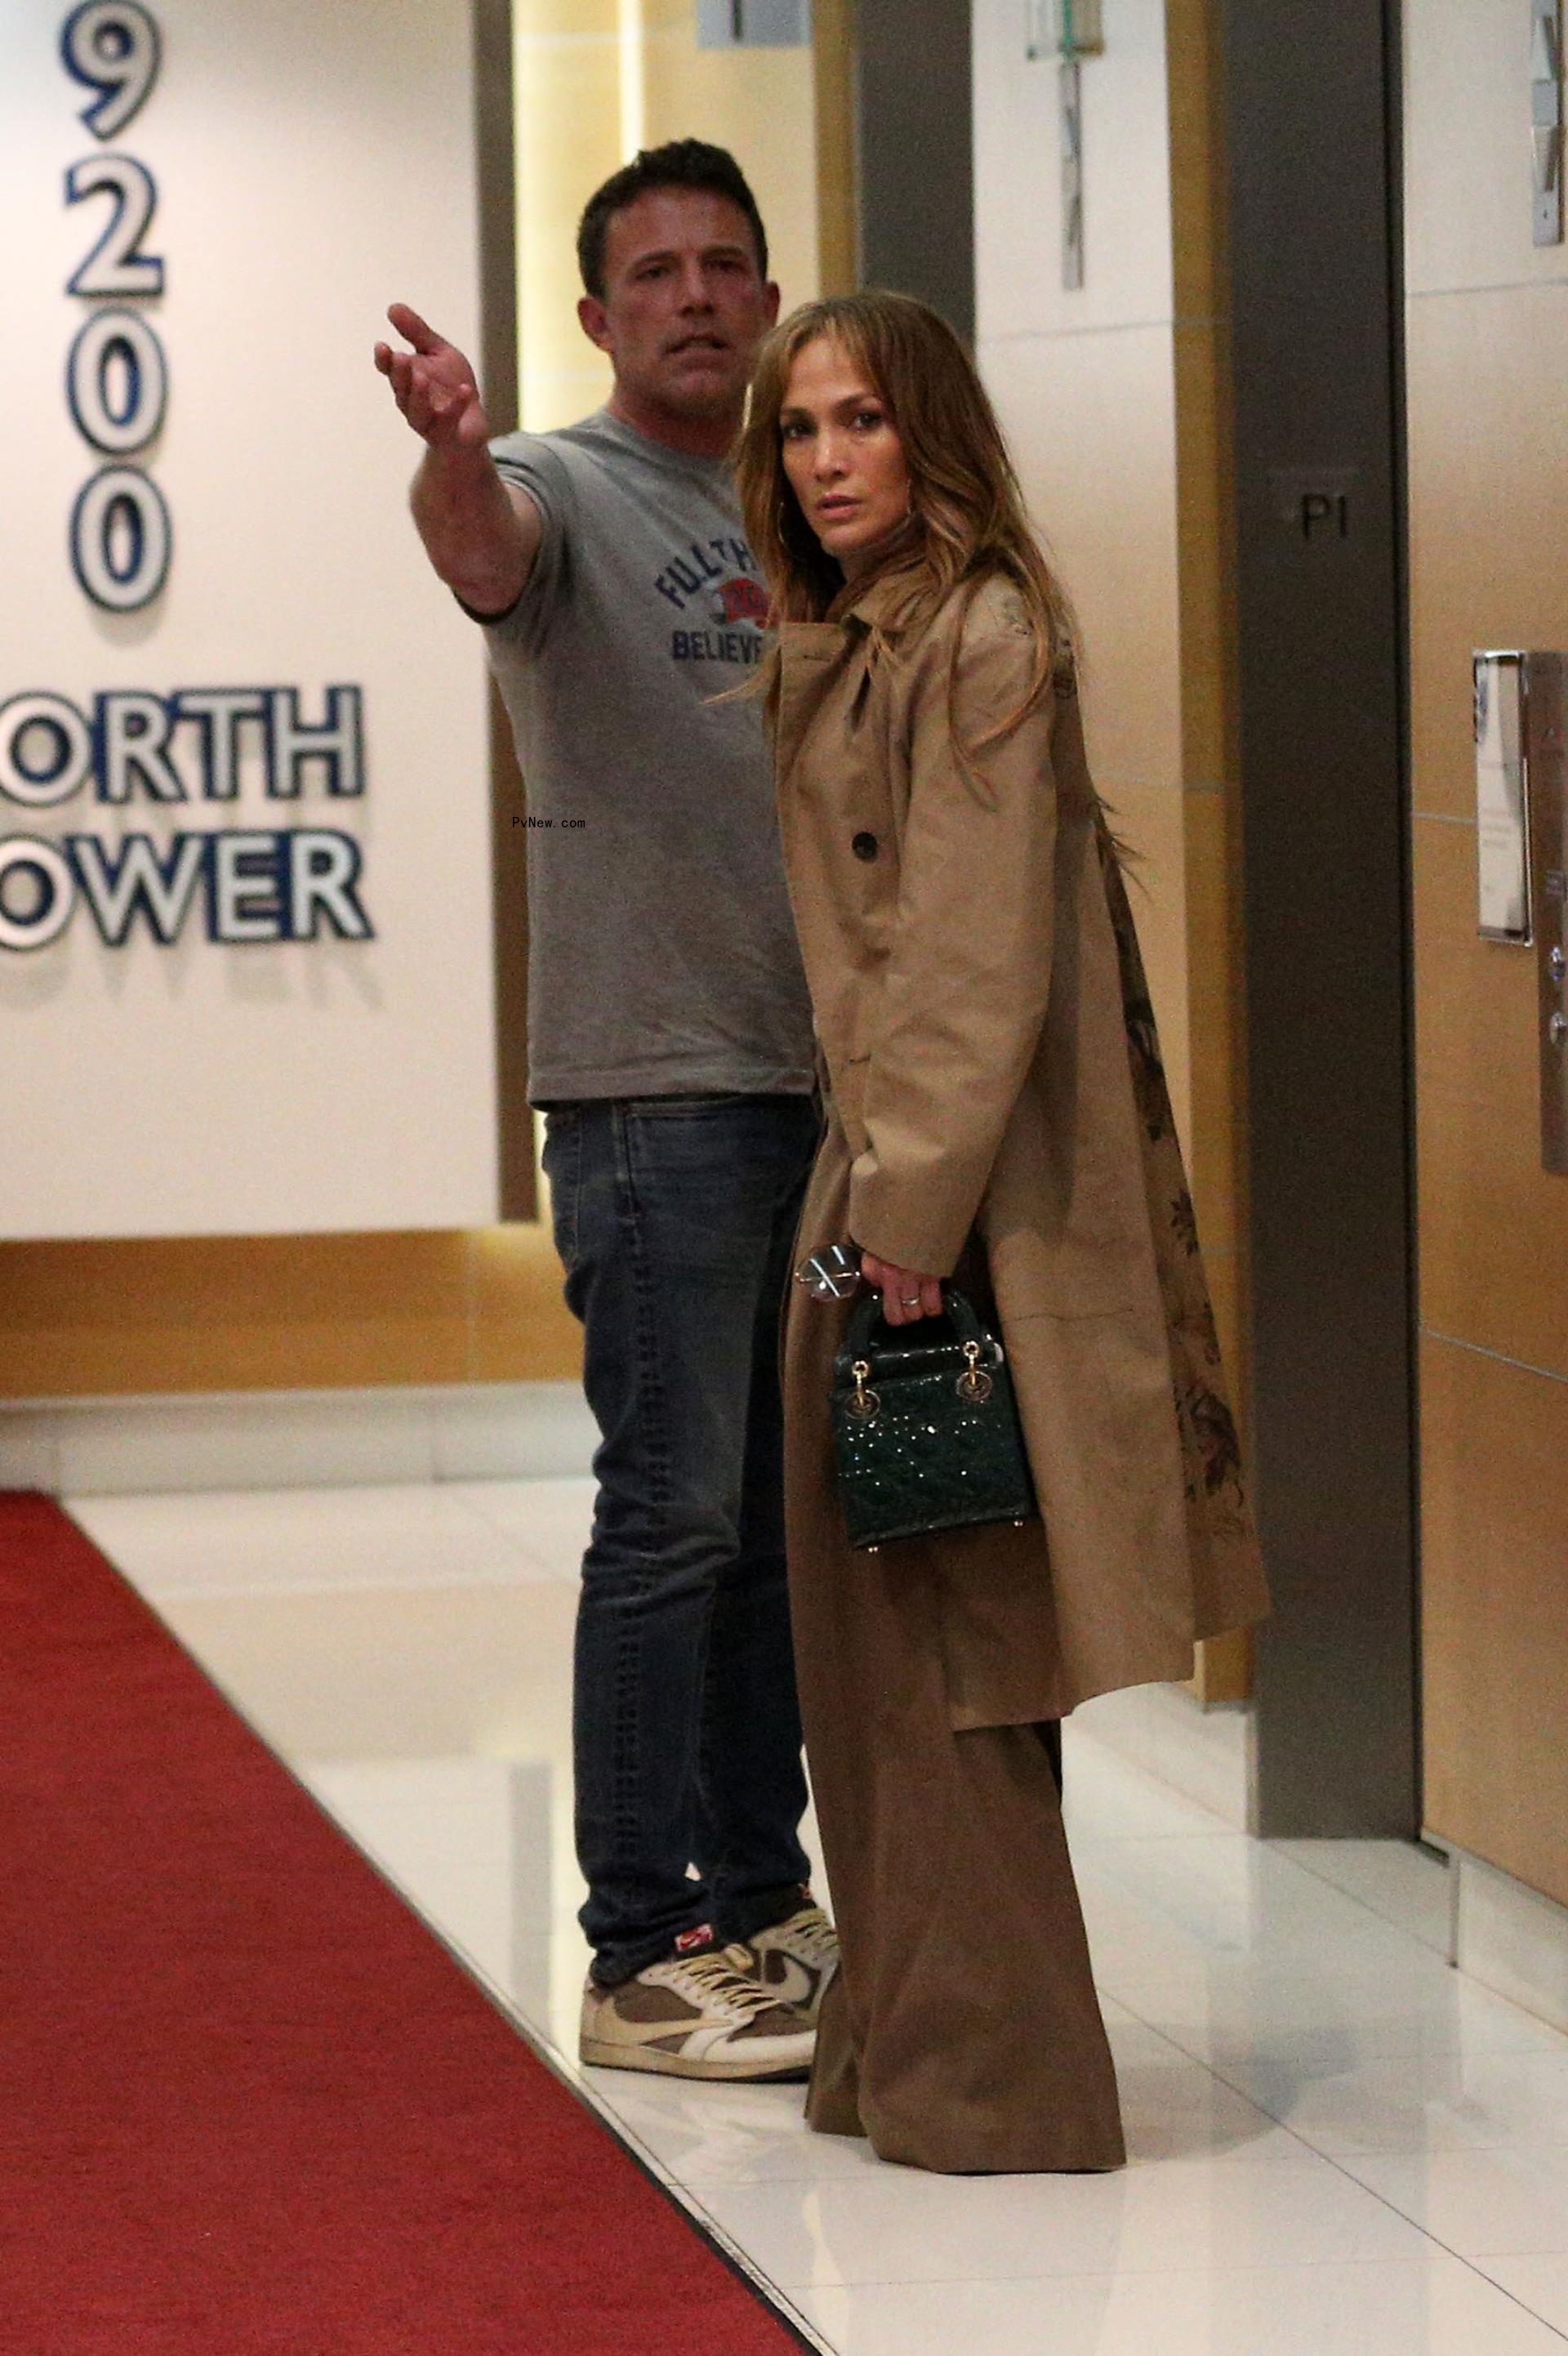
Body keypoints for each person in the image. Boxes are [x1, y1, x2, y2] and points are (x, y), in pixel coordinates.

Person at [734, 290, 1271, 2171]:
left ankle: (996, 2077)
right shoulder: (855, 639)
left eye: (862, 420)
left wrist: (900, 1222)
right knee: (873, 1645)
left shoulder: (974, 636)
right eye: (801, 430)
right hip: (886, 1173)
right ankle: (905, 2043)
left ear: (929, 431)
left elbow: (967, 961)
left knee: (948, 1648)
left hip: (942, 1210)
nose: (827, 459)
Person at [374, 141, 837, 2082]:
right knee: (667, 1523)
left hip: (814, 1089)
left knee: (763, 1534)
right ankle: (640, 1944)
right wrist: (453, 447)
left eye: (729, 265)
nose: (700, 297)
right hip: (656, 1091)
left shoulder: (808, 499)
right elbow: (481, 551)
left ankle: (765, 1894)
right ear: (599, 317)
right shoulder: (566, 484)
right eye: (657, 274)